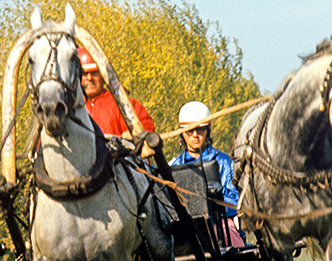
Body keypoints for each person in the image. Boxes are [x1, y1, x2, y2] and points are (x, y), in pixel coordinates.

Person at [171, 100, 244, 243]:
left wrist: (209, 205)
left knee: (226, 230)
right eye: (189, 131)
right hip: (185, 227)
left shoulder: (224, 161)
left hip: (218, 223)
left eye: (200, 130)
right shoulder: (174, 165)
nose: (194, 135)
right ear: (182, 133)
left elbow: (235, 200)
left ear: (208, 130)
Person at [77, 46, 155, 138]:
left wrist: (133, 136)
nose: (89, 78)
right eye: (85, 74)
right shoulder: (71, 107)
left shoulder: (122, 103)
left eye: (94, 73)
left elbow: (146, 128)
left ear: (103, 75)